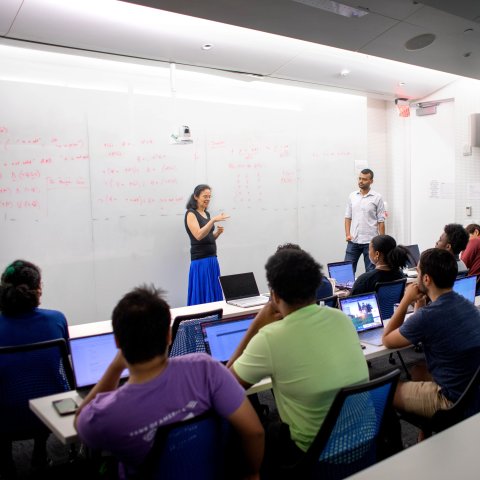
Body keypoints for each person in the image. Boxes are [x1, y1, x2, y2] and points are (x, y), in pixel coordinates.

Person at [75, 285, 264, 480]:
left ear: (117, 342)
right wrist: (251, 473)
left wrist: (115, 368)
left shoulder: (105, 414)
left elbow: (80, 422)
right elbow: (254, 432)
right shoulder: (207, 369)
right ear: (169, 335)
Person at [228, 248, 369, 475]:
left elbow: (226, 388)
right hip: (365, 441)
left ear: (273, 295)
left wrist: (256, 325)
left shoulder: (270, 337)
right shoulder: (342, 319)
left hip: (312, 454)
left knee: (245, 433)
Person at [382, 248, 480, 420]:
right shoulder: (466, 304)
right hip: (473, 391)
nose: (416, 276)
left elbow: (387, 340)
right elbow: (420, 326)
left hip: (453, 401)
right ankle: (425, 432)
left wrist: (406, 300)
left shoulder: (428, 316)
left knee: (387, 389)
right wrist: (419, 303)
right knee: (417, 371)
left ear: (426, 279)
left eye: (418, 272)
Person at [0, 259, 69, 476]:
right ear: (38, 290)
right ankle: (40, 453)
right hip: (51, 411)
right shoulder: (56, 319)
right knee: (43, 383)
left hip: (5, 415)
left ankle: (6, 461)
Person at [185, 184, 229, 305]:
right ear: (196, 196)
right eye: (205, 196)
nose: (208, 199)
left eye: (209, 196)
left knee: (214, 293)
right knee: (202, 294)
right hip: (201, 261)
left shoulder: (207, 214)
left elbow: (208, 238)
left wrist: (217, 234)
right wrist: (213, 220)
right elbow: (198, 235)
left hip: (212, 260)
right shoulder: (191, 214)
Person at [344, 168, 385, 274]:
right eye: (360, 178)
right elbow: (348, 217)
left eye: (364, 179)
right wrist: (348, 234)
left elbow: (381, 221)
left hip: (370, 242)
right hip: (353, 240)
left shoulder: (377, 197)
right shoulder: (352, 196)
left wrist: (382, 241)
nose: (361, 181)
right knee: (347, 271)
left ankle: (370, 291)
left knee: (371, 272)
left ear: (371, 181)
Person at [462, 223, 480, 293]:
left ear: (476, 232)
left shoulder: (475, 241)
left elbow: (464, 263)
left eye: (467, 237)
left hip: (474, 284)